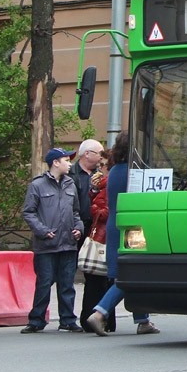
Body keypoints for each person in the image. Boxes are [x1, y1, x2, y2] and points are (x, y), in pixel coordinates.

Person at [86, 133, 160, 336]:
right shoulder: (134, 172)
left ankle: (143, 321)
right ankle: (100, 313)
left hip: (115, 225)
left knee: (131, 272)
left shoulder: (115, 171)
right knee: (131, 273)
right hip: (132, 229)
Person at [21, 147, 85, 333]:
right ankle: (36, 320)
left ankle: (67, 320)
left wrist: (78, 229)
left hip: (68, 244)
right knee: (44, 283)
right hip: (46, 245)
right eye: (66, 160)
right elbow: (28, 212)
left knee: (67, 285)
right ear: (55, 163)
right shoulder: (37, 185)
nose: (70, 164)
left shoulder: (70, 184)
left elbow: (75, 212)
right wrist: (42, 231)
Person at [79, 151, 116, 332]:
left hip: (103, 237)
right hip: (103, 236)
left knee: (97, 280)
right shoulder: (103, 184)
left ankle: (95, 318)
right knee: (100, 280)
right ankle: (105, 320)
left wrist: (94, 208)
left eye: (102, 164)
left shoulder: (110, 182)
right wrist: (94, 192)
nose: (99, 168)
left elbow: (106, 211)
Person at [71, 139, 106, 329]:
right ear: (87, 154)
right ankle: (68, 318)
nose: (101, 158)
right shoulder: (70, 174)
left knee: (95, 274)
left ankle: (94, 317)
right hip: (76, 229)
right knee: (68, 274)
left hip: (95, 230)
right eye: (99, 153)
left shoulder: (100, 176)